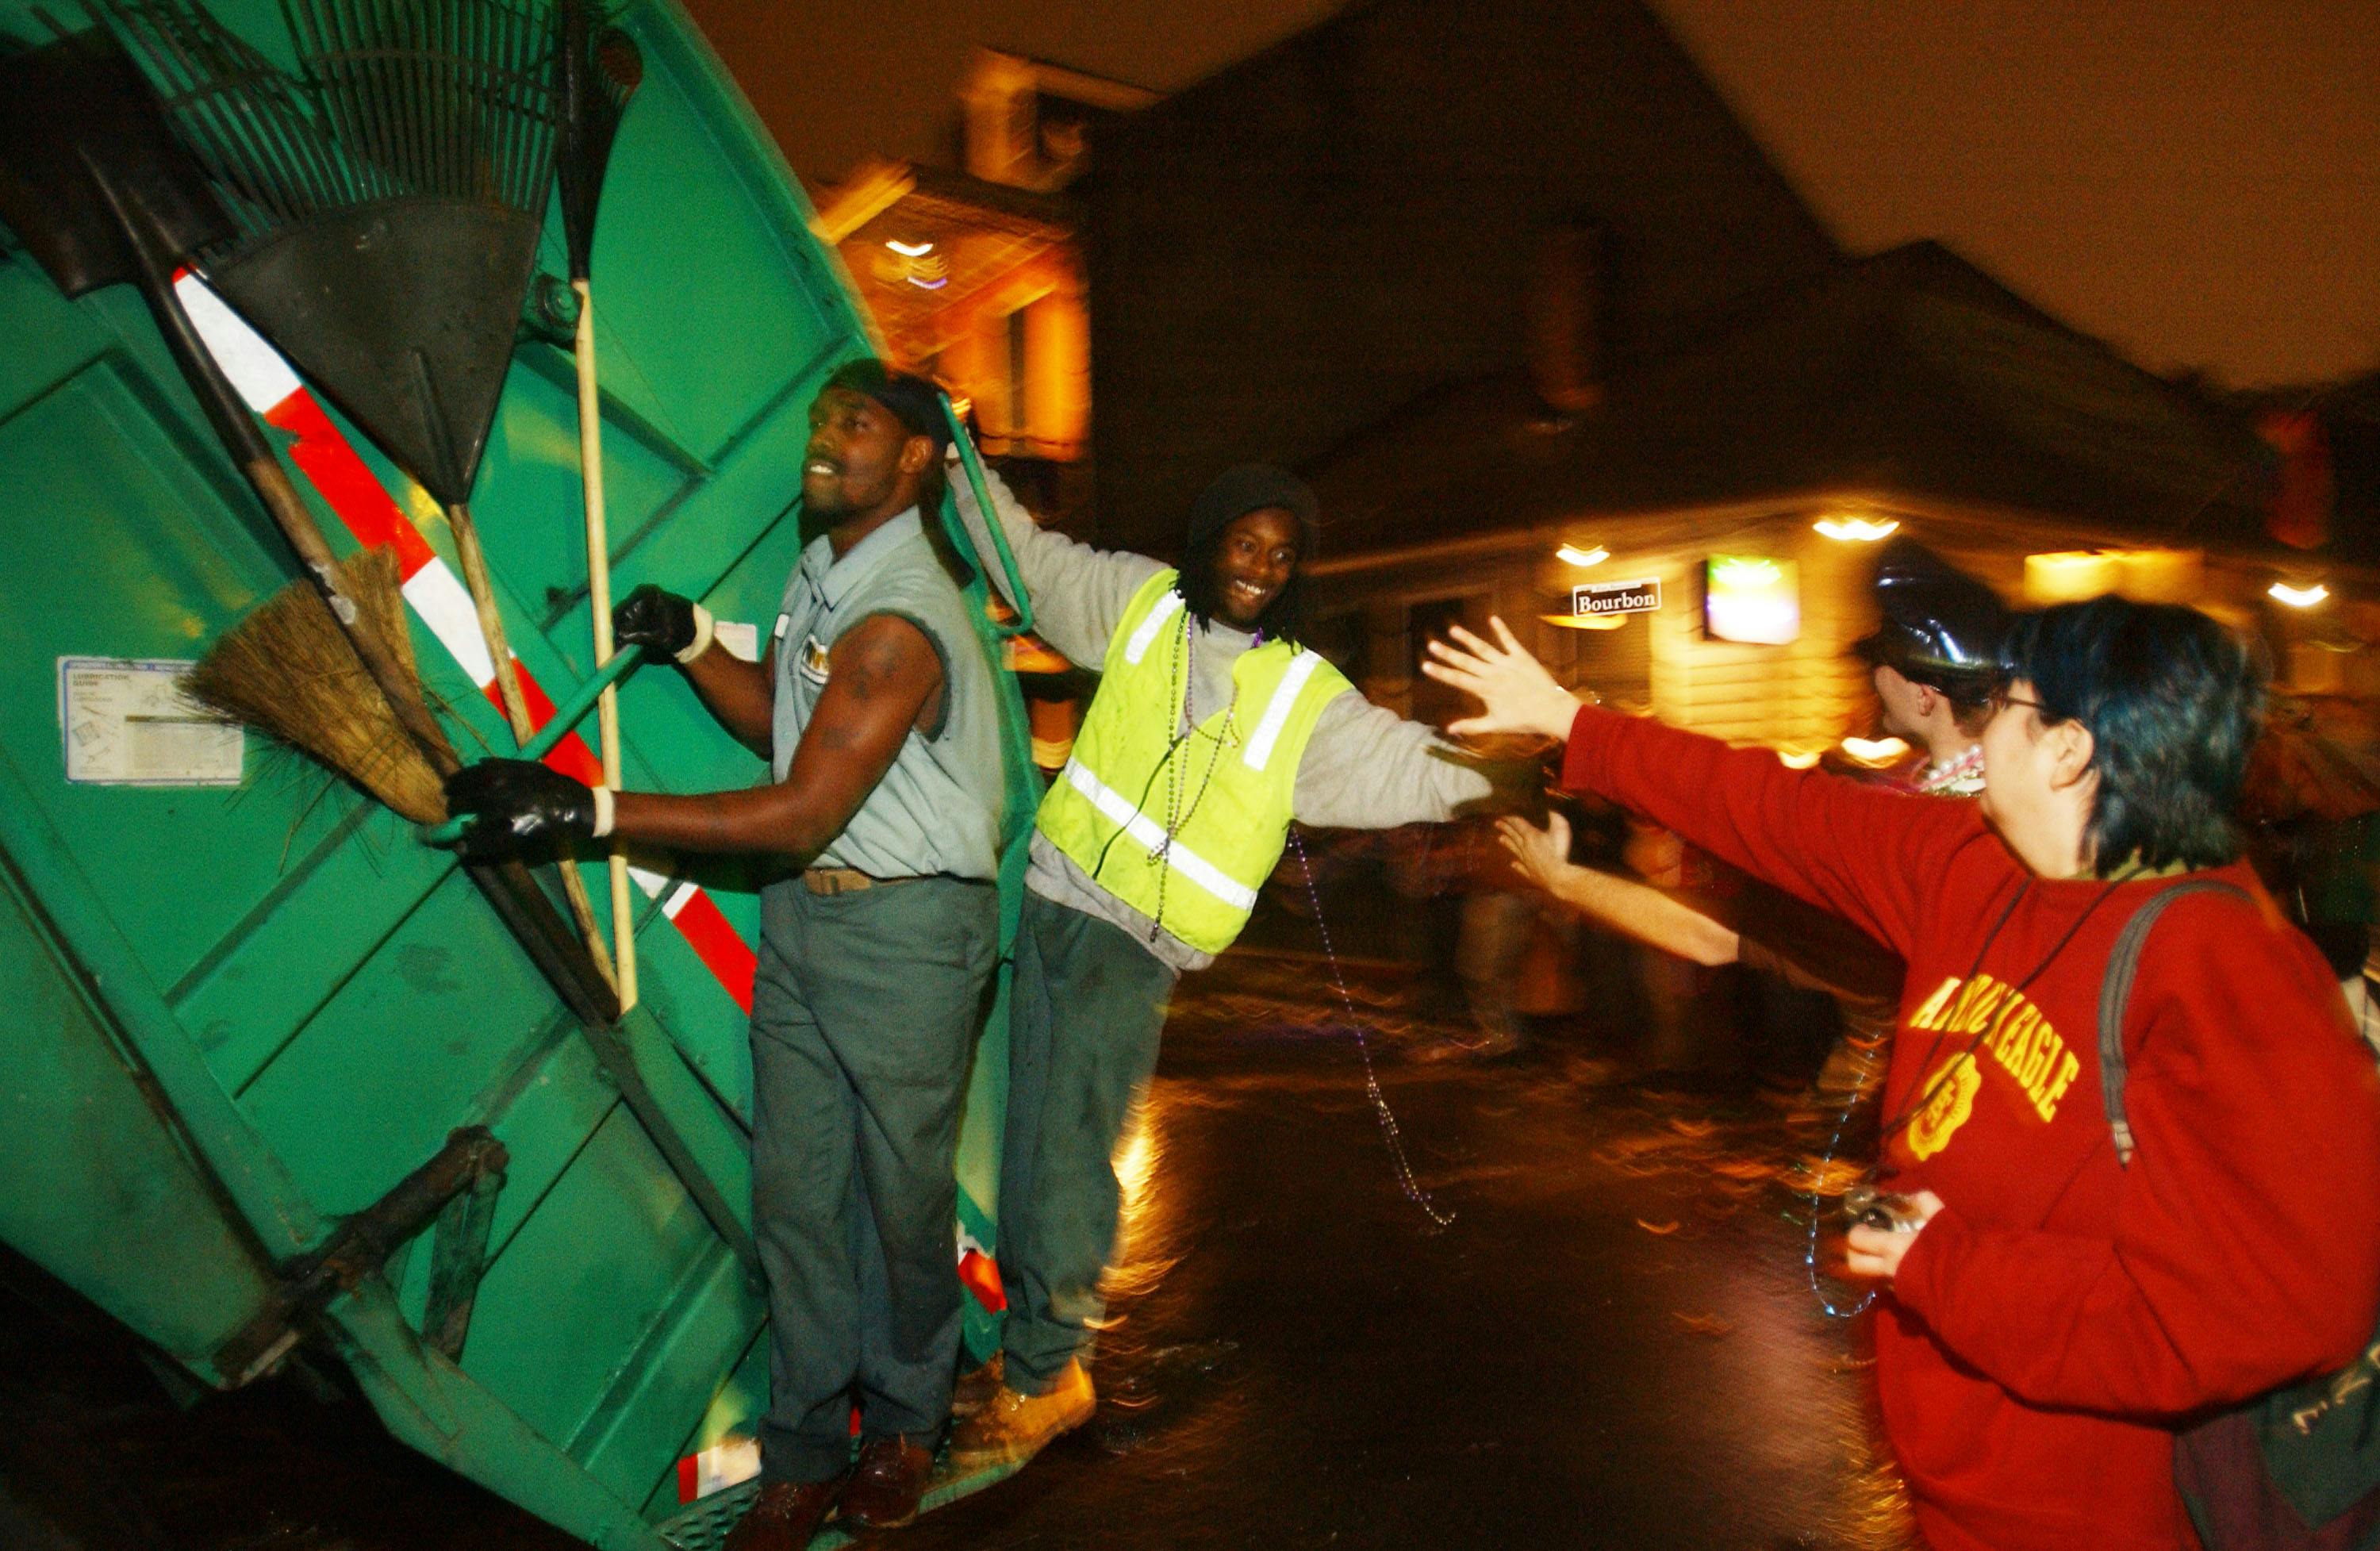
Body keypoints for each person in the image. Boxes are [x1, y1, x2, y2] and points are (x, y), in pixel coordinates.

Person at [1424, 598, 2380, 1551]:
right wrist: (1575, 723)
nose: (1979, 722)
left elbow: (2274, 1305)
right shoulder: (1971, 863)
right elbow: (1780, 811)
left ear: (2068, 751)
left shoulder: (2231, 968)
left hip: (2105, 1507)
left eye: (2006, 702)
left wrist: (1942, 1263)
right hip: (1952, 1476)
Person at [444, 361, 1005, 1551]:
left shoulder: (905, 613)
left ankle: (906, 1418)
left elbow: (800, 806)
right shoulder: (827, 573)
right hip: (807, 917)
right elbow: (788, 721)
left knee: (901, 1201)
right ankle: (804, 1449)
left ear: (913, 461)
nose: (823, 437)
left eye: (853, 423)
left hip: (908, 932)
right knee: (798, 1196)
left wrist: (588, 811)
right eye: (819, 418)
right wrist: (696, 640)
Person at [945, 463, 1500, 1472]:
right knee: (1030, 1134)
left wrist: (1501, 774)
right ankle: (1035, 1351)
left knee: (1067, 1147)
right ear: (1210, 542)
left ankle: (1048, 1372)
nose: (1262, 567)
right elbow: (1028, 560)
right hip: (1057, 901)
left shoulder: (1302, 692)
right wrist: (955, 461)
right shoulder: (1142, 604)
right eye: (1247, 543)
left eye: (1283, 554)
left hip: (1134, 946)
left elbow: (1394, 760)